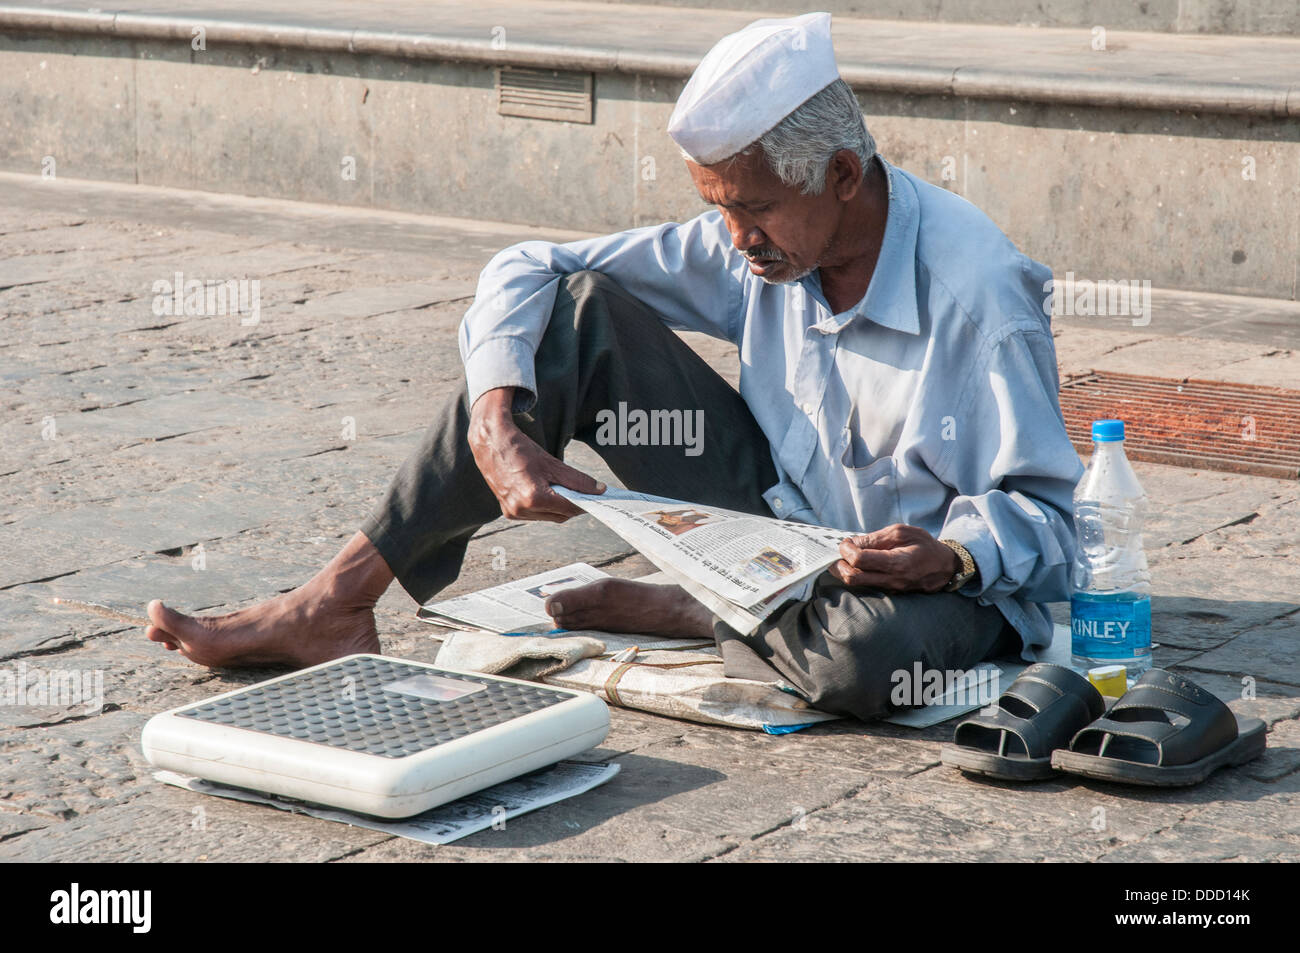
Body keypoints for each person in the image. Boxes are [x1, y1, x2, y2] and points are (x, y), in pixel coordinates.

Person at [145, 12, 1082, 721]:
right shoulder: (756, 244)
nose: (735, 239)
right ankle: (334, 599)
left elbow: (1053, 526)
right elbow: (529, 267)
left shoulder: (980, 297)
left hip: (912, 585)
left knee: (863, 666)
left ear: (841, 175)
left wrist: (956, 553)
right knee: (577, 317)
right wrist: (497, 420)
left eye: (753, 209)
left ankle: (694, 608)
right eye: (717, 209)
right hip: (782, 528)